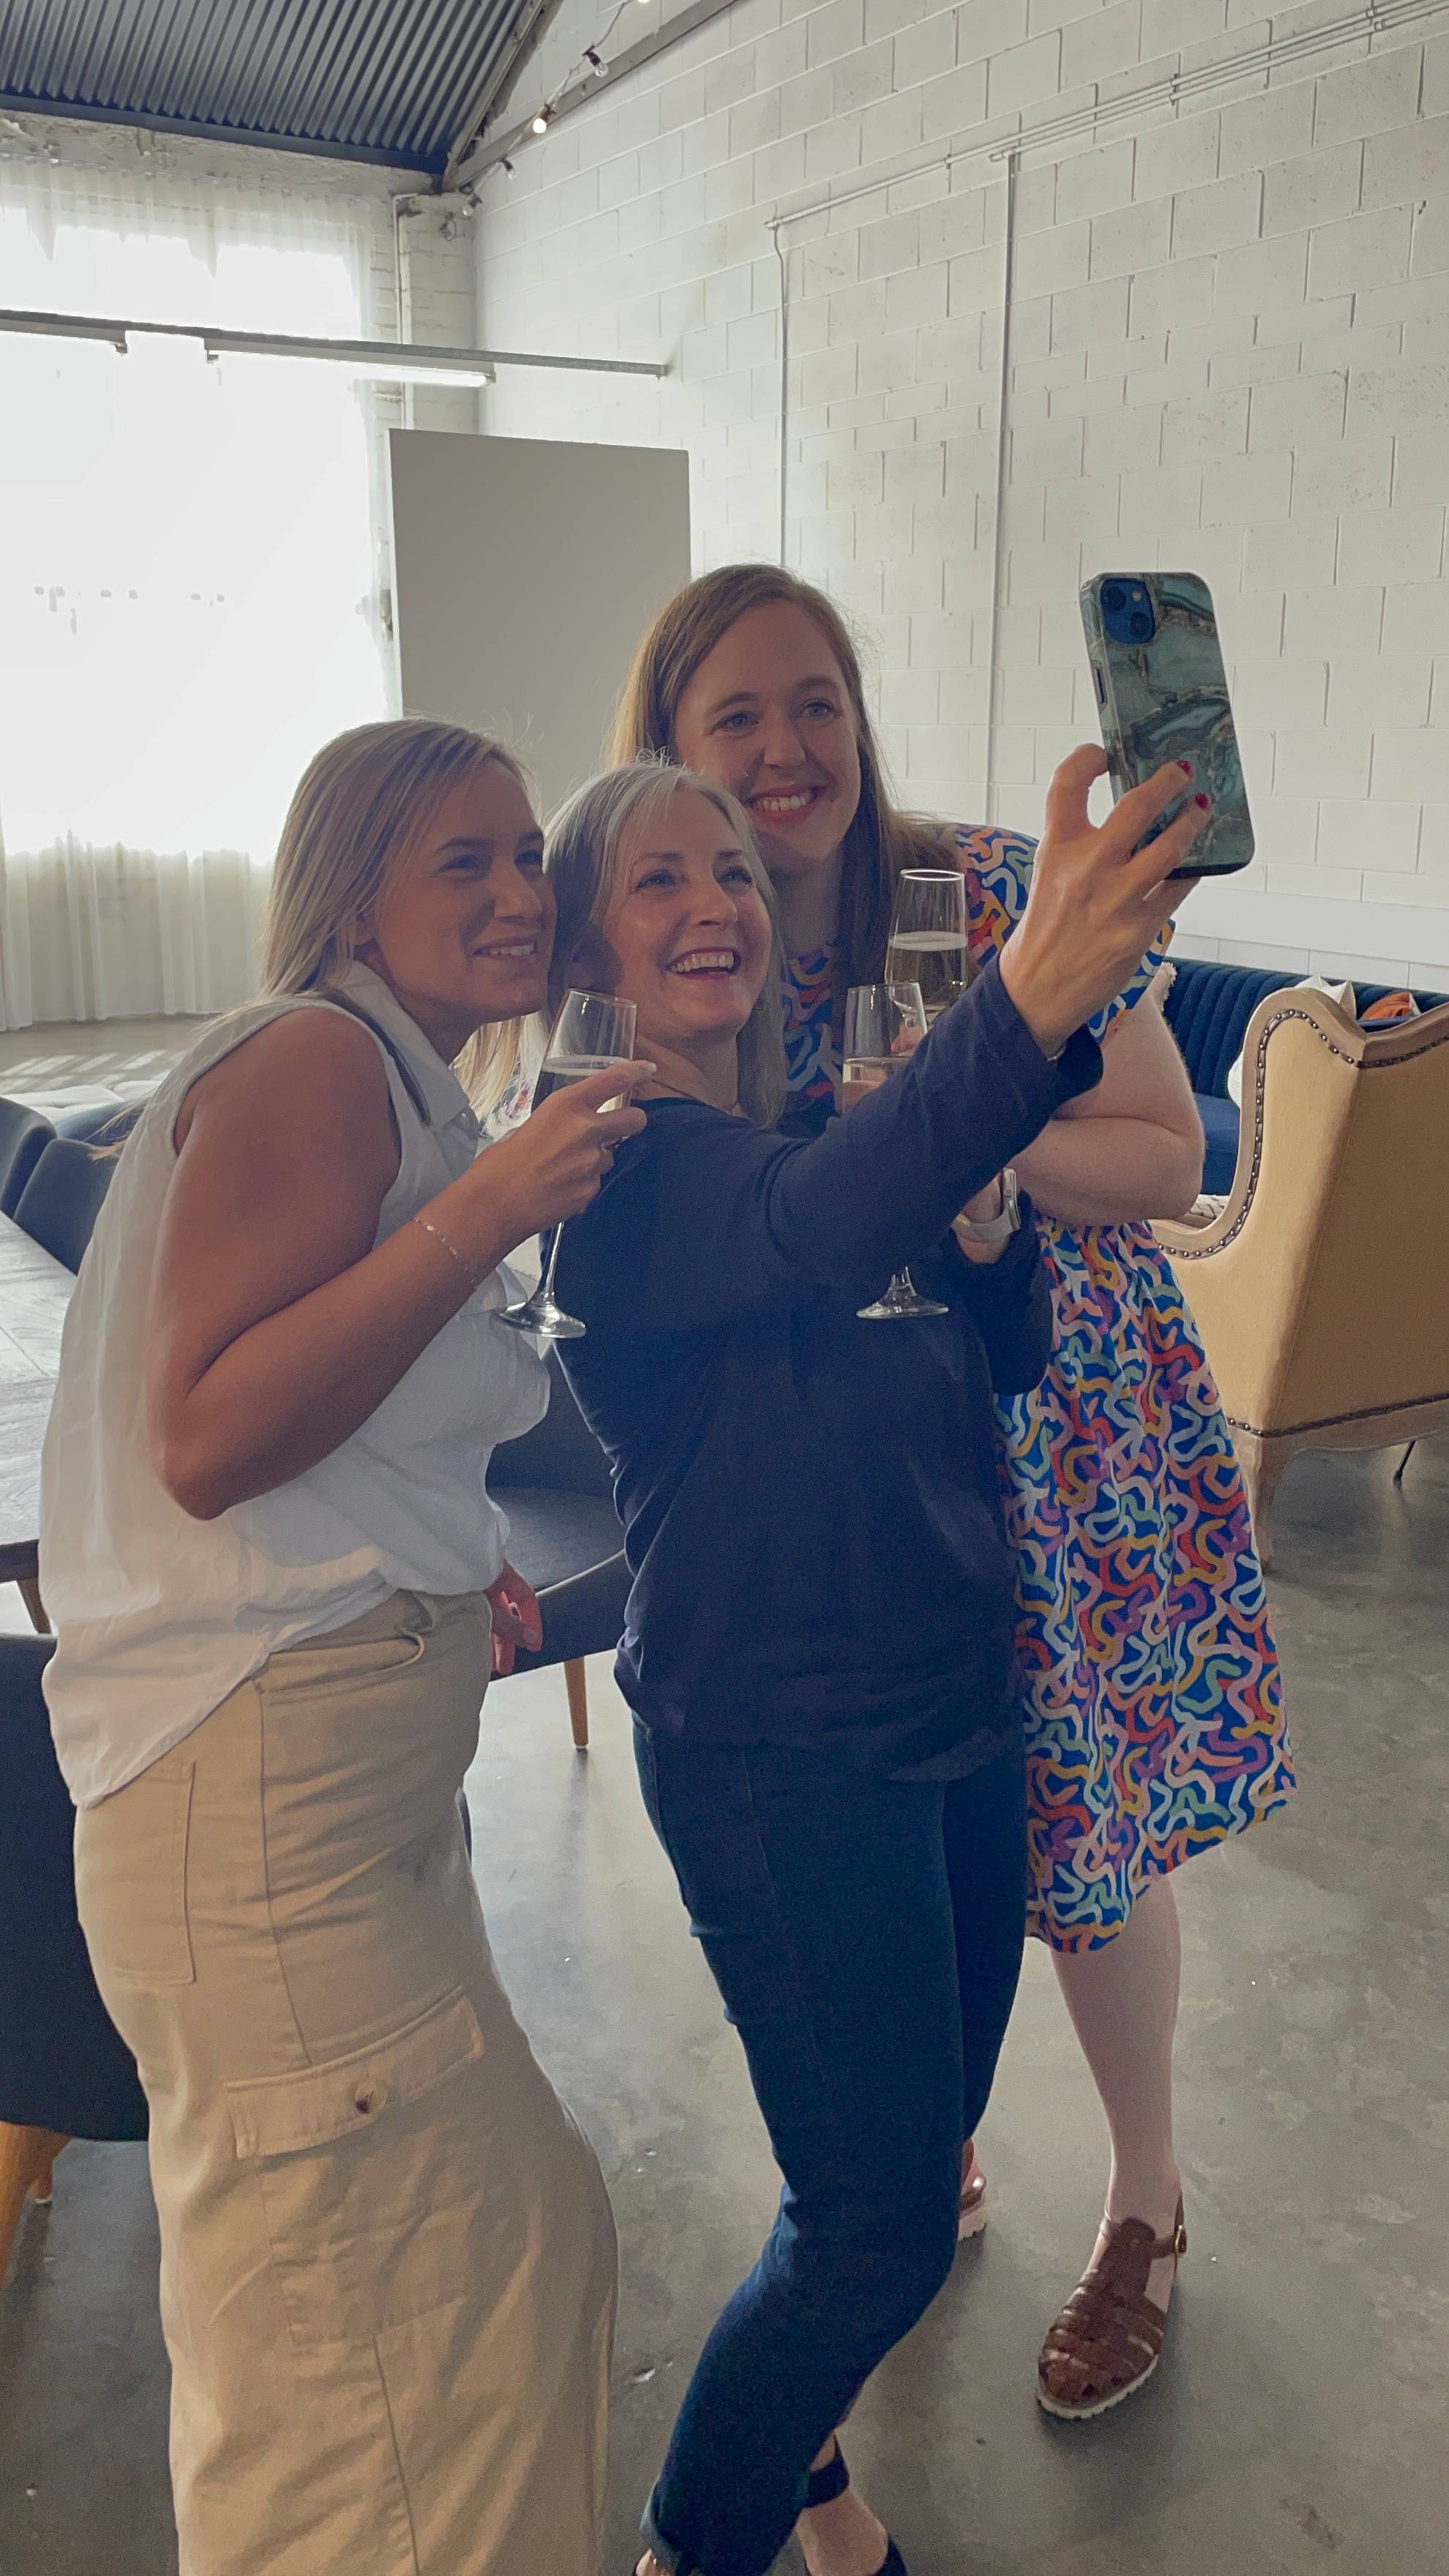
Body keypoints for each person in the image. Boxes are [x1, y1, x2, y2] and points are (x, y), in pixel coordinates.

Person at [612, 564, 1294, 2421]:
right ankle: (930, 2149)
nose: (785, 747)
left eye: (816, 699)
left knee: (1078, 1831)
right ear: (671, 749)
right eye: (735, 714)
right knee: (914, 1833)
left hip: (1050, 1417)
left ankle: (1147, 2202)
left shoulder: (995, 885)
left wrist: (957, 1132)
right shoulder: (680, 927)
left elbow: (1161, 1150)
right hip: (837, 1466)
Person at [534, 749, 1208, 2576]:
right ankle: (707, 2533)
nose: (720, 902)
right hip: (778, 1752)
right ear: (584, 940)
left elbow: (978, 1349)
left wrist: (987, 1238)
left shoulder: (818, 1133)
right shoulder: (617, 1156)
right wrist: (1032, 995)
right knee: (880, 2225)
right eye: (662, 877)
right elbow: (812, 1237)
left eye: (738, 875)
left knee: (903, 2162)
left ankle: (808, 2481)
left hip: (952, 1709)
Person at [40, 719, 653, 2576]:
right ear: (350, 897)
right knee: (392, 2389)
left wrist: (461, 1575)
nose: (517, 890)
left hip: (315, 1781)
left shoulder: (386, 1080)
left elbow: (358, 1407)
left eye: (522, 852)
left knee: (458, 2300)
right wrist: (497, 1201)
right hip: (264, 1807)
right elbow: (215, 1431)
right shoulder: (317, 1054)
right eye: (455, 859)